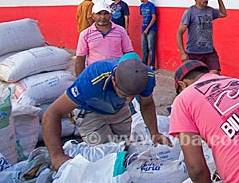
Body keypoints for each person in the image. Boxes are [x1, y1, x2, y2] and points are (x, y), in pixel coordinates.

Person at [42, 53, 171, 171]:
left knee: (124, 153)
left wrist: (155, 133)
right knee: (105, 160)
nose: (130, 99)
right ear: (113, 81)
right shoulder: (92, 79)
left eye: (133, 95)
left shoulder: (147, 77)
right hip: (90, 112)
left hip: (118, 109)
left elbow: (146, 103)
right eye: (125, 94)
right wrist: (56, 156)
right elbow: (52, 113)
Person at [75, 1, 133, 76]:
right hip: (95, 75)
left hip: (117, 74)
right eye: (99, 14)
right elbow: (80, 58)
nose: (102, 17)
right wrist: (80, 80)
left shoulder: (121, 31)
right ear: (93, 16)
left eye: (106, 13)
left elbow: (128, 53)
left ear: (110, 15)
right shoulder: (85, 34)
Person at [176, 0, 227, 74]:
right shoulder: (190, 12)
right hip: (193, 53)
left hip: (209, 51)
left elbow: (223, 14)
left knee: (215, 74)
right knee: (195, 79)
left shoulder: (210, 11)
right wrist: (182, 53)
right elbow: (179, 32)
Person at [138, 0, 157, 70]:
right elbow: (142, 17)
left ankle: (152, 65)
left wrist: (148, 28)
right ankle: (144, 63)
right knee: (144, 47)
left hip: (151, 29)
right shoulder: (141, 6)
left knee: (151, 48)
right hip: (143, 28)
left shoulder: (151, 5)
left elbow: (154, 18)